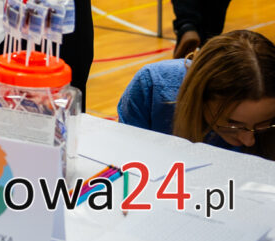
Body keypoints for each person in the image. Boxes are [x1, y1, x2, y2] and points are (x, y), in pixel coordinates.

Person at [118, 30, 275, 160]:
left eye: (263, 124)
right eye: (233, 125)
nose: (248, 141)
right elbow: (126, 162)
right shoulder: (152, 87)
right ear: (201, 97)